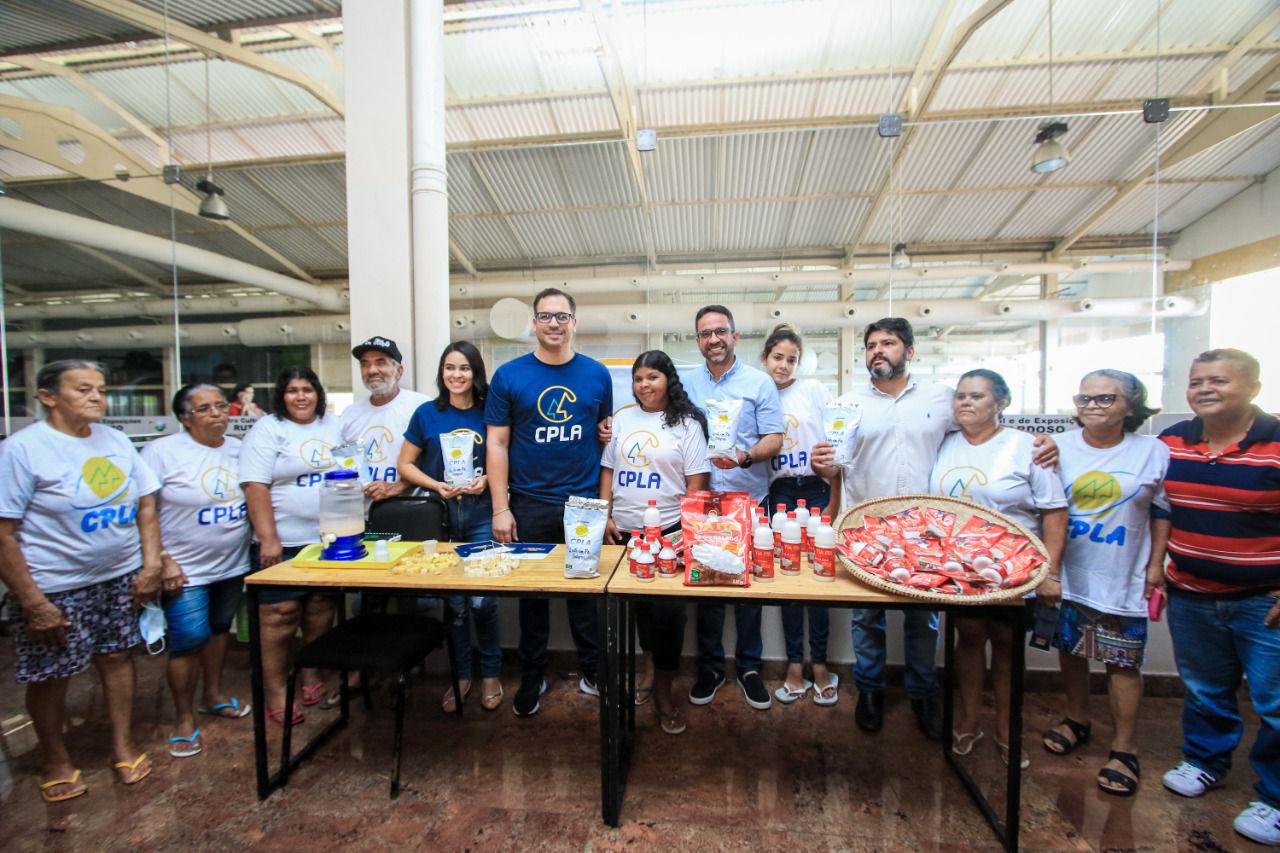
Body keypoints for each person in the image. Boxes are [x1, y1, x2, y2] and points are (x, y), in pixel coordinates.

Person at [812, 318, 1056, 741]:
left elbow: (985, 429)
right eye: (871, 345)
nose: (878, 351)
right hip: (867, 528)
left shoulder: (942, 398)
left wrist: (1044, 442)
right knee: (865, 617)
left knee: (922, 619)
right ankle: (869, 690)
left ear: (909, 351)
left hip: (928, 533)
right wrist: (824, 467)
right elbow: (836, 465)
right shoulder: (847, 403)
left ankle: (923, 692)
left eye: (888, 343)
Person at [0, 360, 163, 801]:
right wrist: (34, 602)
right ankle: (54, 758)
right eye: (83, 389)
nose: (97, 398)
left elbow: (146, 505)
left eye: (101, 390)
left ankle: (123, 746)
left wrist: (149, 566)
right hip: (54, 584)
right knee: (52, 674)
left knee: (117, 660)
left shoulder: (116, 441)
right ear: (48, 397)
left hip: (118, 577)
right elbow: (4, 532)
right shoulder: (24, 449)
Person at [1156, 349, 1280, 847]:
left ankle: (1274, 799)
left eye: (1218, 380)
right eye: (1196, 381)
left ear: (1252, 386)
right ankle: (1205, 761)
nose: (1205, 388)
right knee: (1206, 687)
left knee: (1274, 703)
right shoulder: (1172, 441)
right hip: (1191, 590)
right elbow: (1157, 502)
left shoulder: (1275, 443)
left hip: (1262, 599)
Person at [1039, 370, 1169, 795]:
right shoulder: (1057, 447)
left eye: (1105, 399)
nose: (1092, 407)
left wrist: (1156, 563)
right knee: (1072, 650)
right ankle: (1077, 718)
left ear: (1130, 406)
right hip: (1070, 569)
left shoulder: (1152, 452)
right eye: (1085, 399)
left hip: (1123, 572)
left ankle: (1124, 748)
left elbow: (1163, 511)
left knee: (1122, 662)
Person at [930, 369, 1067, 769]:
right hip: (957, 568)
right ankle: (968, 722)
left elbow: (1055, 512)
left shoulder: (1029, 448)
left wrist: (1051, 573)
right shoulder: (945, 445)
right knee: (968, 641)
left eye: (976, 396)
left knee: (1007, 647)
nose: (965, 403)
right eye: (960, 396)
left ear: (1001, 403)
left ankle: (1008, 733)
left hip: (1014, 568)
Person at [485, 287, 613, 717]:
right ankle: (532, 675)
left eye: (562, 316)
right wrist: (500, 508)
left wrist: (604, 501)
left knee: (586, 597)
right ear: (535, 323)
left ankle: (595, 671)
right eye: (545, 316)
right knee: (532, 597)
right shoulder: (509, 375)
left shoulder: (597, 375)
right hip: (529, 502)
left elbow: (605, 435)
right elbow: (497, 444)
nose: (554, 324)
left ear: (574, 322)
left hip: (584, 502)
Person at [140, 384, 254, 759]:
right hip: (184, 570)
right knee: (188, 639)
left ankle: (213, 695)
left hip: (231, 564)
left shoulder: (240, 450)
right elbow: (145, 512)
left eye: (222, 406)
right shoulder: (162, 452)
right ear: (185, 418)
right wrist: (162, 560)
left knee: (220, 630)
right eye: (204, 409)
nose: (217, 414)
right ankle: (184, 719)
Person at [680, 305, 784, 711]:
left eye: (721, 332)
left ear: (735, 336)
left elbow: (775, 437)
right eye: (705, 334)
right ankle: (709, 667)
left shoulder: (759, 383)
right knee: (706, 589)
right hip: (703, 502)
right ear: (698, 341)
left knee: (747, 593)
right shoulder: (686, 383)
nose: (714, 340)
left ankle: (750, 669)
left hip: (749, 500)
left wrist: (744, 457)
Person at [601, 351, 710, 734]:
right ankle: (647, 674)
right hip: (624, 533)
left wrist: (684, 532)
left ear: (668, 380)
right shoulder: (624, 418)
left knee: (669, 617)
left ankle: (664, 691)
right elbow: (609, 469)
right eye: (638, 378)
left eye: (652, 377)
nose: (644, 385)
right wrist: (606, 515)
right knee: (637, 612)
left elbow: (697, 482)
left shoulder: (687, 424)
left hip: (667, 534)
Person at [398, 341, 501, 713]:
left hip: (481, 516)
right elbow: (406, 464)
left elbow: (506, 454)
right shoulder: (427, 414)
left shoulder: (491, 411)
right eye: (449, 368)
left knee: (482, 602)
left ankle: (490, 673)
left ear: (476, 374)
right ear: (442, 374)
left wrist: (487, 479)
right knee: (455, 606)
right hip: (441, 520)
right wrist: (435, 485)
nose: (456, 375)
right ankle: (460, 676)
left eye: (464, 368)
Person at [239, 366, 344, 725]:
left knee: (319, 611)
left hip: (328, 541)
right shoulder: (268, 429)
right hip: (281, 543)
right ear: (282, 396)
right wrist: (268, 538)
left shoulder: (334, 426)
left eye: (307, 389)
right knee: (279, 617)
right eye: (292, 390)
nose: (301, 396)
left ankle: (311, 675)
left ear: (318, 393)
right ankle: (276, 692)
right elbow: (255, 486)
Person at [761, 324, 840, 706]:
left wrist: (835, 490)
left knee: (820, 579)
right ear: (764, 358)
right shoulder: (757, 394)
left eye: (792, 359)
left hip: (815, 487)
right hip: (777, 494)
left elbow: (839, 438)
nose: (784, 365)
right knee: (791, 583)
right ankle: (795, 664)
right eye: (778, 357)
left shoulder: (813, 390)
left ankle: (820, 663)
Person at [341, 336, 430, 502]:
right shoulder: (349, 415)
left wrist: (397, 487)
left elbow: (435, 459)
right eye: (365, 364)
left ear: (399, 371)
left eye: (381, 362)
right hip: (363, 515)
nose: (372, 370)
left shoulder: (421, 406)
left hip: (412, 512)